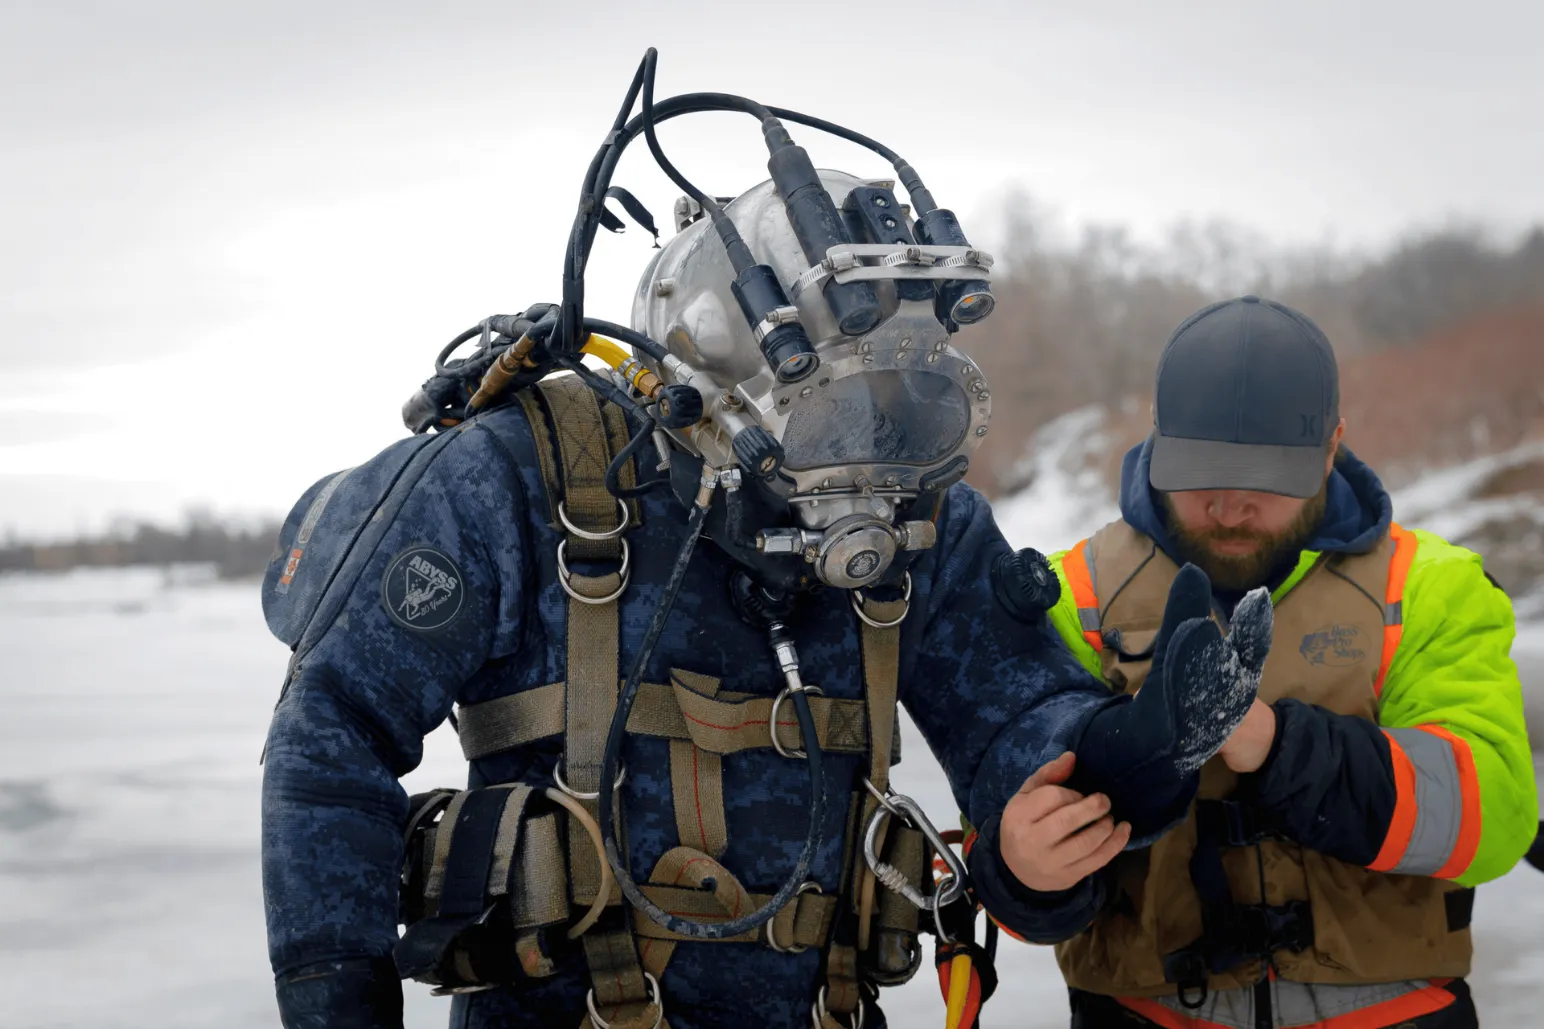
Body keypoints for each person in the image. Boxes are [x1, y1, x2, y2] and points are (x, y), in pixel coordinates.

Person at [257, 57, 1276, 1029]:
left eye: (904, 410)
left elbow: (1014, 711)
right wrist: (335, 994)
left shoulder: (919, 522)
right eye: (835, 417)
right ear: (725, 380)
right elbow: (330, 733)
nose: (869, 461)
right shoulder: (522, 482)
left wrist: (1108, 769)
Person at [1030, 295, 1538, 1029]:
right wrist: (1026, 866)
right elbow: (1004, 849)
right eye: (1204, 479)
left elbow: (1494, 817)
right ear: (1159, 438)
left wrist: (1270, 744)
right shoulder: (1070, 596)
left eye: (1264, 483)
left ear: (1332, 447)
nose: (1230, 510)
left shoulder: (1433, 586)